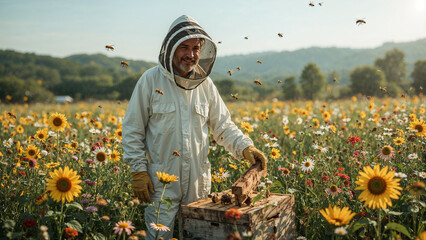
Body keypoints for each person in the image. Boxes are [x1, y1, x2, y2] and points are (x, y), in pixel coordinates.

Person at [122, 15, 267, 240]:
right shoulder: (150, 81)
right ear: (170, 49)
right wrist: (138, 170)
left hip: (198, 182)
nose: (191, 55)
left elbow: (223, 126)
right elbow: (133, 130)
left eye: (196, 48)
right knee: (158, 237)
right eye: (184, 47)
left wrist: (245, 147)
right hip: (161, 182)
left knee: (199, 235)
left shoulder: (205, 84)